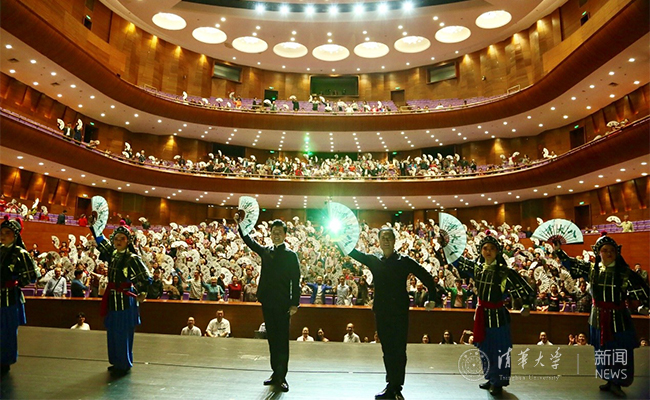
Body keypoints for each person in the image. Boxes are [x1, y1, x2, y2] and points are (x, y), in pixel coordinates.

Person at [346, 226, 437, 400]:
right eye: (383, 238)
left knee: (399, 350)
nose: (386, 240)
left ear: (394, 241)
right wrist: (339, 240)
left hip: (399, 312)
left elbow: (425, 276)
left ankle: (397, 388)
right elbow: (354, 253)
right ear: (379, 241)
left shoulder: (404, 261)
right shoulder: (374, 260)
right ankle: (391, 385)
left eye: (389, 237)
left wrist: (432, 298)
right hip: (381, 311)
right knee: (387, 350)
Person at [554, 233, 649, 397]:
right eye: (605, 250)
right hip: (597, 318)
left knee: (620, 350)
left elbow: (643, 291)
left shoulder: (625, 273)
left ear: (617, 252)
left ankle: (618, 382)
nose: (609, 253)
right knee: (602, 351)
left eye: (612, 250)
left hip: (619, 319)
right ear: (599, 253)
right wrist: (558, 250)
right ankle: (609, 379)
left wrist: (644, 306)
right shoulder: (592, 270)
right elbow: (571, 263)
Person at [455, 234, 535, 395]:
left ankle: (498, 382)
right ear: (481, 251)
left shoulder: (505, 272)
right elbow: (458, 261)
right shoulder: (477, 268)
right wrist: (445, 246)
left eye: (492, 248)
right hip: (482, 316)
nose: (488, 251)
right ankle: (491, 377)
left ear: (497, 251)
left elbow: (525, 289)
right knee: (485, 349)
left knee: (500, 350)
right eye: (485, 248)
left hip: (498, 317)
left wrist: (526, 305)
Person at [235, 215, 300, 393]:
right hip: (267, 301)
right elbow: (249, 241)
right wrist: (240, 225)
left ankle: (282, 376)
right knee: (271, 339)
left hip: (283, 304)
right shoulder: (266, 251)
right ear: (270, 234)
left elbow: (296, 281)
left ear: (285, 235)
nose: (276, 235)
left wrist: (294, 303)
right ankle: (274, 373)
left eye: (279, 232)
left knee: (282, 340)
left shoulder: (291, 255)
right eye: (274, 232)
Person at [91, 222, 152, 376]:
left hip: (125, 300)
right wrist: (94, 226)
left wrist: (143, 292)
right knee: (112, 332)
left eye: (122, 239)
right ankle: (115, 361)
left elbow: (145, 277)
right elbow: (101, 241)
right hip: (112, 299)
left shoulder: (132, 258)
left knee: (123, 333)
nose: (118, 241)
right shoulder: (113, 254)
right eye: (116, 238)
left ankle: (124, 363)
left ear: (128, 241)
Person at [0, 217, 40, 375]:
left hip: (9, 298)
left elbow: (32, 276)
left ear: (15, 235)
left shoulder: (20, 253)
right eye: (1, 233)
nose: (3, 236)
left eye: (7, 233)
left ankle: (5, 361)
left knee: (8, 331)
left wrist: (15, 281)